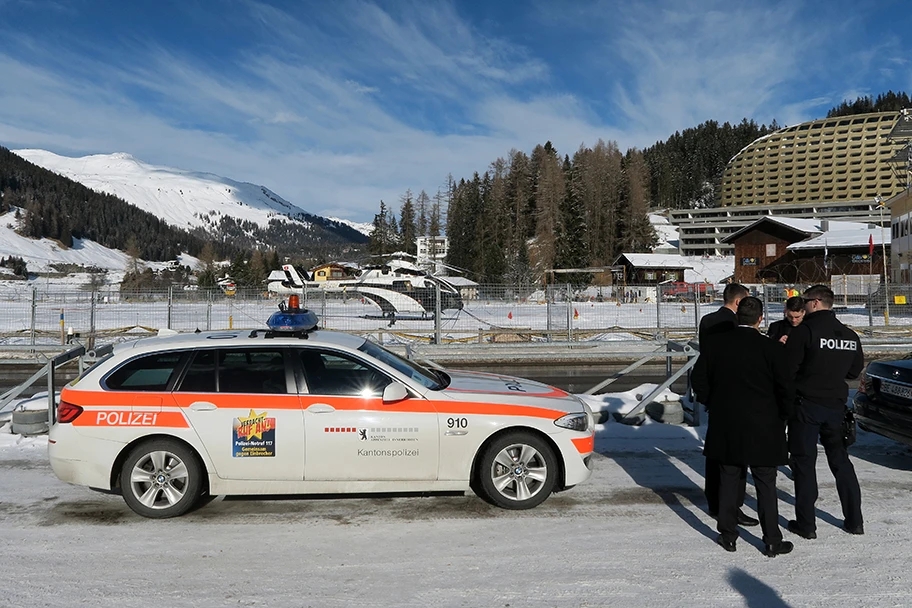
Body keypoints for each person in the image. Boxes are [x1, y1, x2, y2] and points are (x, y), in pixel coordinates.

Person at [693, 297, 795, 556]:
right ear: (761, 318)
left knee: (728, 480)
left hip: (727, 421)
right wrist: (783, 416)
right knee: (766, 483)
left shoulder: (716, 345)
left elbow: (699, 380)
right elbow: (786, 388)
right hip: (764, 424)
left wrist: (712, 402)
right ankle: (772, 539)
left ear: (737, 316)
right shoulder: (771, 349)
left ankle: (728, 535)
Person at [784, 284, 865, 539]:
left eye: (805, 301)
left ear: (816, 302)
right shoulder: (850, 336)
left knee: (805, 465)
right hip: (836, 407)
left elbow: (787, 368)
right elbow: (853, 372)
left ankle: (806, 525)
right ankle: (855, 520)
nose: (803, 305)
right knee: (841, 463)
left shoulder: (805, 331)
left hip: (806, 405)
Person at [697, 282, 758, 526]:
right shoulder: (735, 325)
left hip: (715, 395)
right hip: (735, 397)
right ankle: (733, 505)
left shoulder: (707, 321)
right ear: (737, 302)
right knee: (735, 456)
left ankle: (714, 500)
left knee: (714, 451)